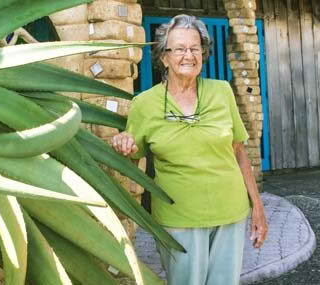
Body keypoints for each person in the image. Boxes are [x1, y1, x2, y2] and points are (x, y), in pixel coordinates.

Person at [112, 14, 268, 285]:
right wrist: (123, 142)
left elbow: (239, 151)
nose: (189, 55)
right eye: (180, 49)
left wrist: (258, 208)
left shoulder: (222, 92)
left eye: (195, 48)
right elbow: (134, 151)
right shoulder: (144, 104)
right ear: (164, 56)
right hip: (178, 217)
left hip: (230, 212)